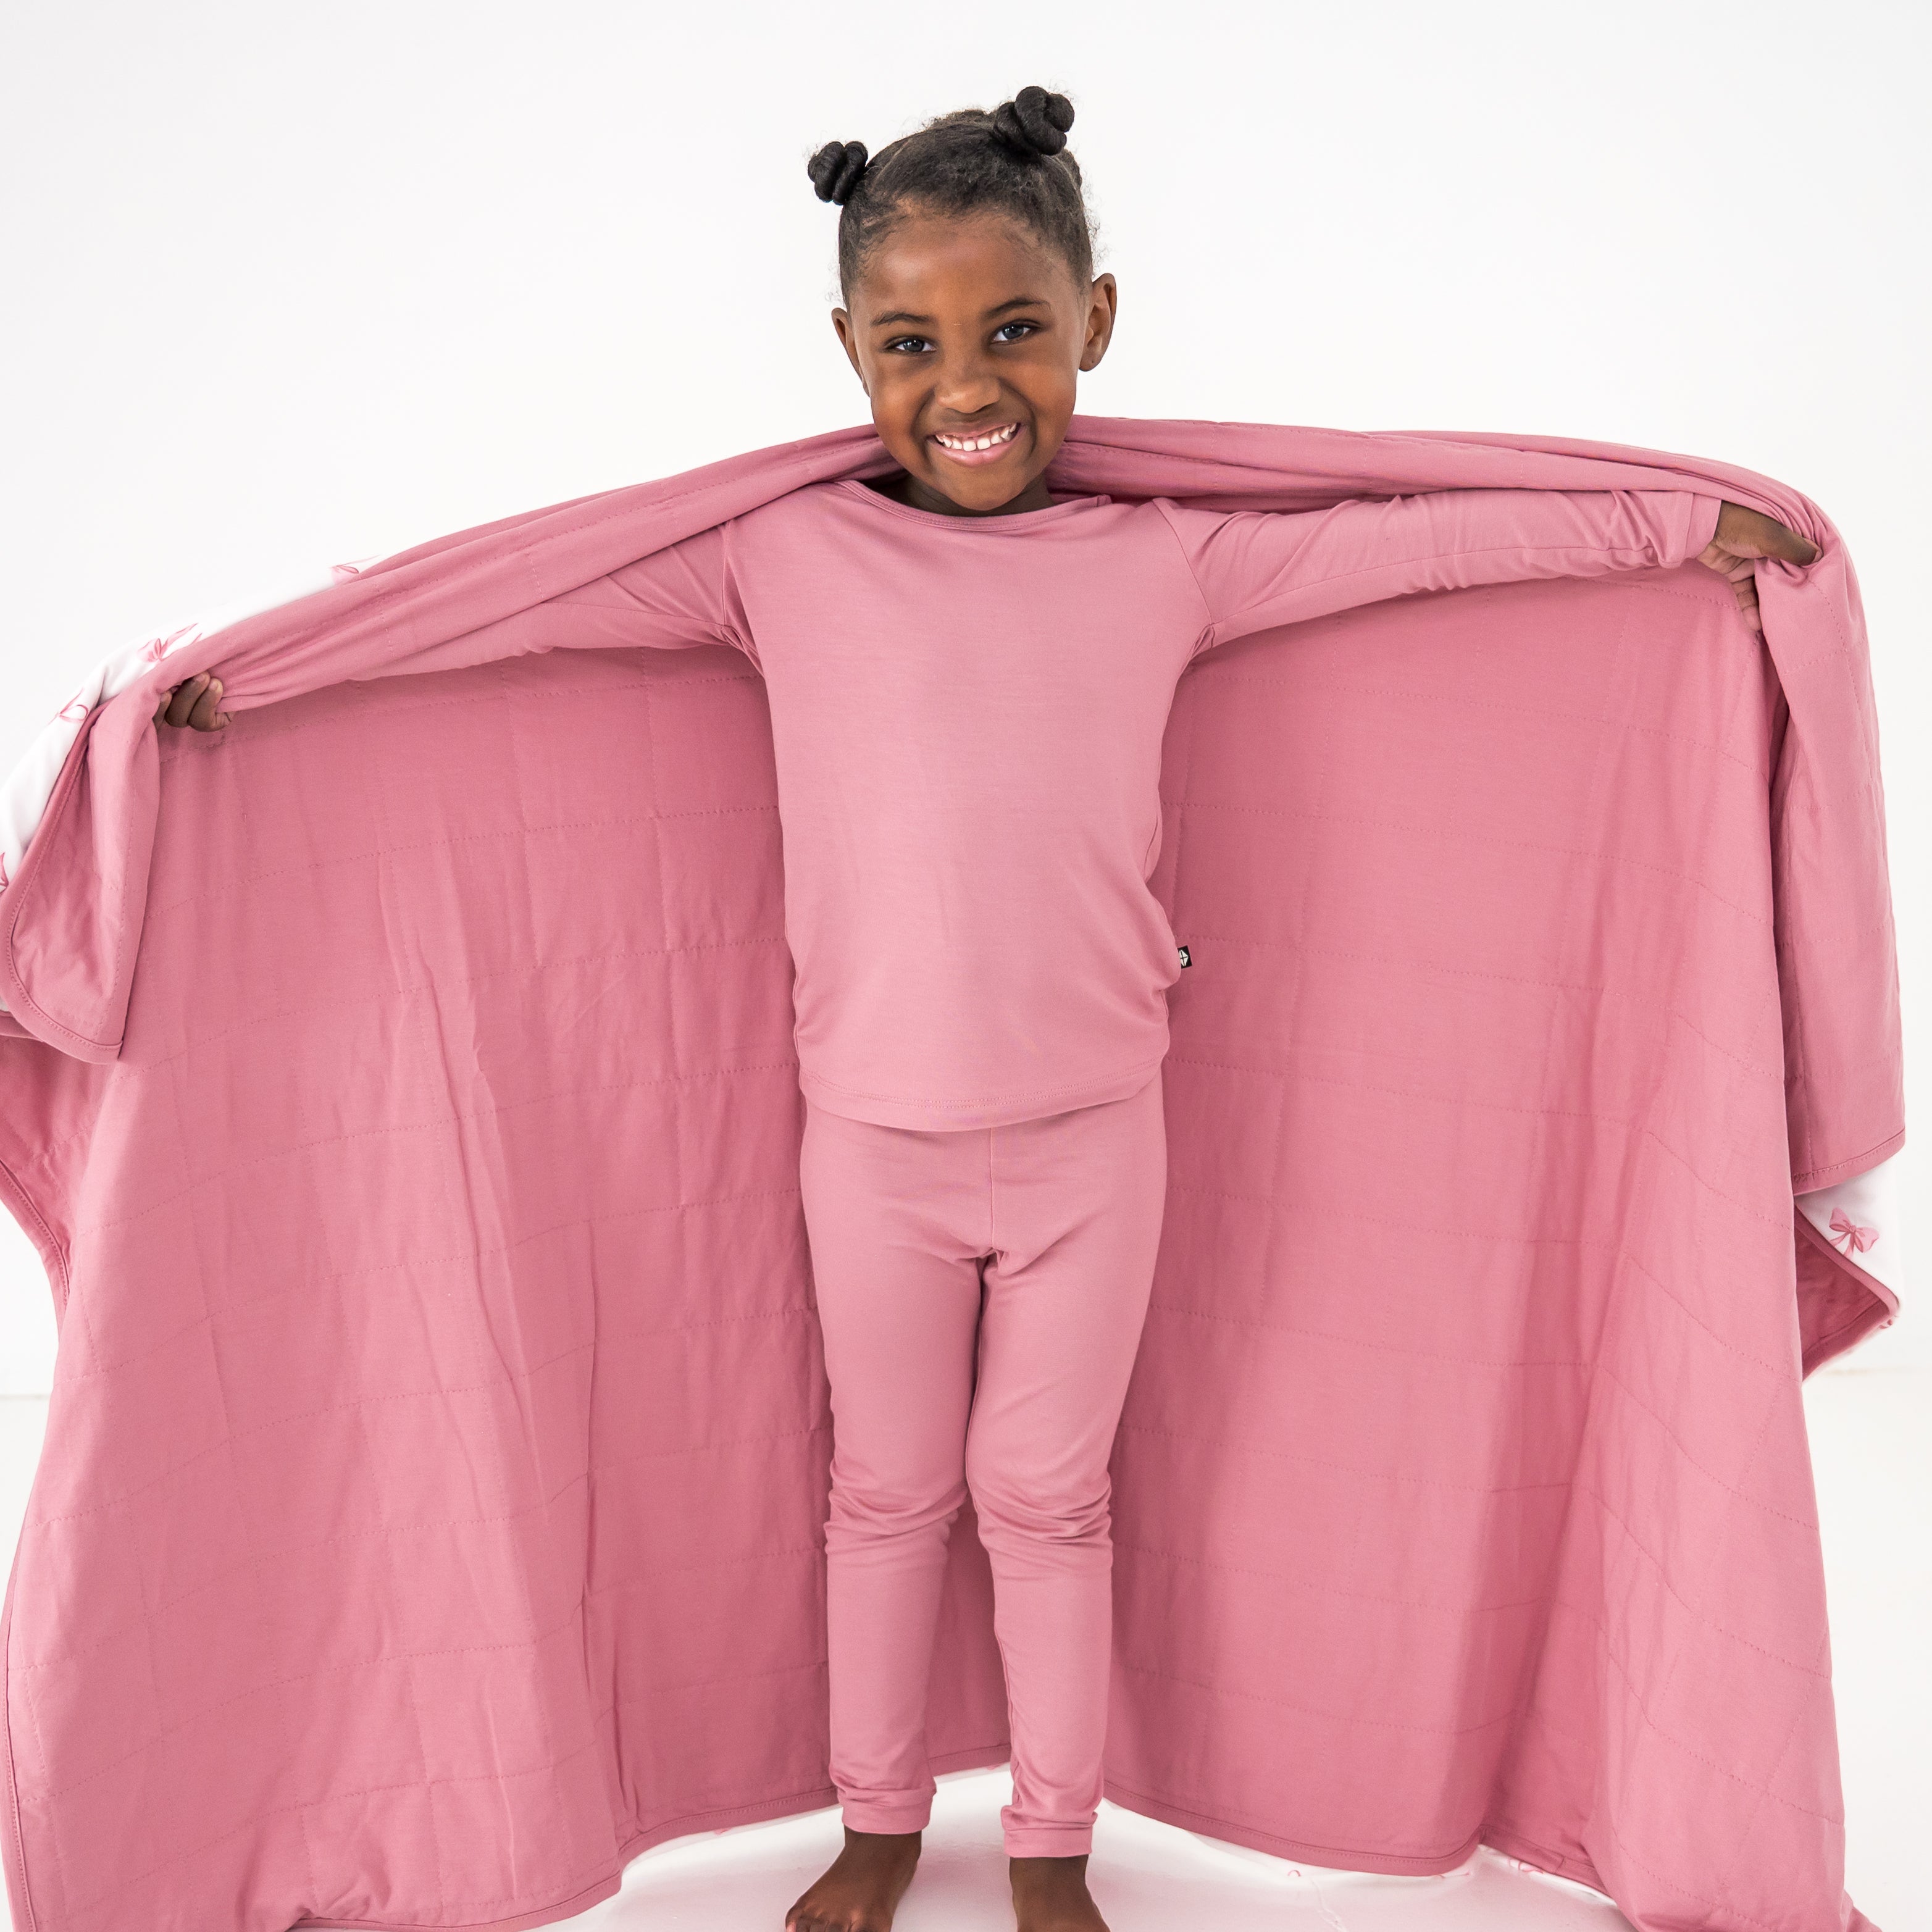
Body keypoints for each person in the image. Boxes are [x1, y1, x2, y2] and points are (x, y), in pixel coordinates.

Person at [154, 84, 1818, 1932]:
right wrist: (269, 671)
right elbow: (513, 606)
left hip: (1093, 1143)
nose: (968, 383)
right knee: (880, 1494)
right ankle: (873, 1820)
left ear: (1094, 322)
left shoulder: (1171, 561)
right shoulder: (771, 561)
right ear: (848, 353)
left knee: (1049, 1498)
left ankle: (1046, 1841)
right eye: (912, 342)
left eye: (1015, 329)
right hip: (868, 1143)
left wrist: (1668, 527)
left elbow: (1418, 540)